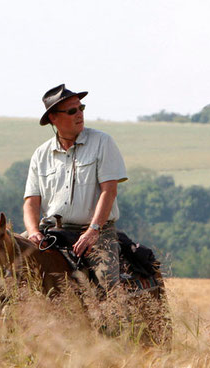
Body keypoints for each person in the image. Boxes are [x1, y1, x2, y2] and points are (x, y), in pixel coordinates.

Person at [23, 84, 128, 293]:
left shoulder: (102, 142)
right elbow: (31, 202)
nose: (79, 114)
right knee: (8, 265)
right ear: (54, 118)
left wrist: (93, 231)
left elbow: (109, 191)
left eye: (81, 108)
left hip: (96, 231)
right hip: (50, 230)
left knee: (107, 286)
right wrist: (33, 231)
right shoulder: (40, 154)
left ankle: (112, 325)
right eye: (72, 111)